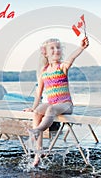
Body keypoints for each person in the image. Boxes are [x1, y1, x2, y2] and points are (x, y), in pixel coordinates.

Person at [23, 37, 89, 166]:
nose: (56, 50)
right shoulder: (44, 71)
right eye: (52, 48)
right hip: (52, 104)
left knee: (50, 109)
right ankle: (38, 151)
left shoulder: (62, 67)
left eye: (58, 47)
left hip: (65, 105)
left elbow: (71, 59)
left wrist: (81, 48)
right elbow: (39, 93)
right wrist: (33, 107)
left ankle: (38, 130)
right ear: (45, 53)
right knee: (38, 111)